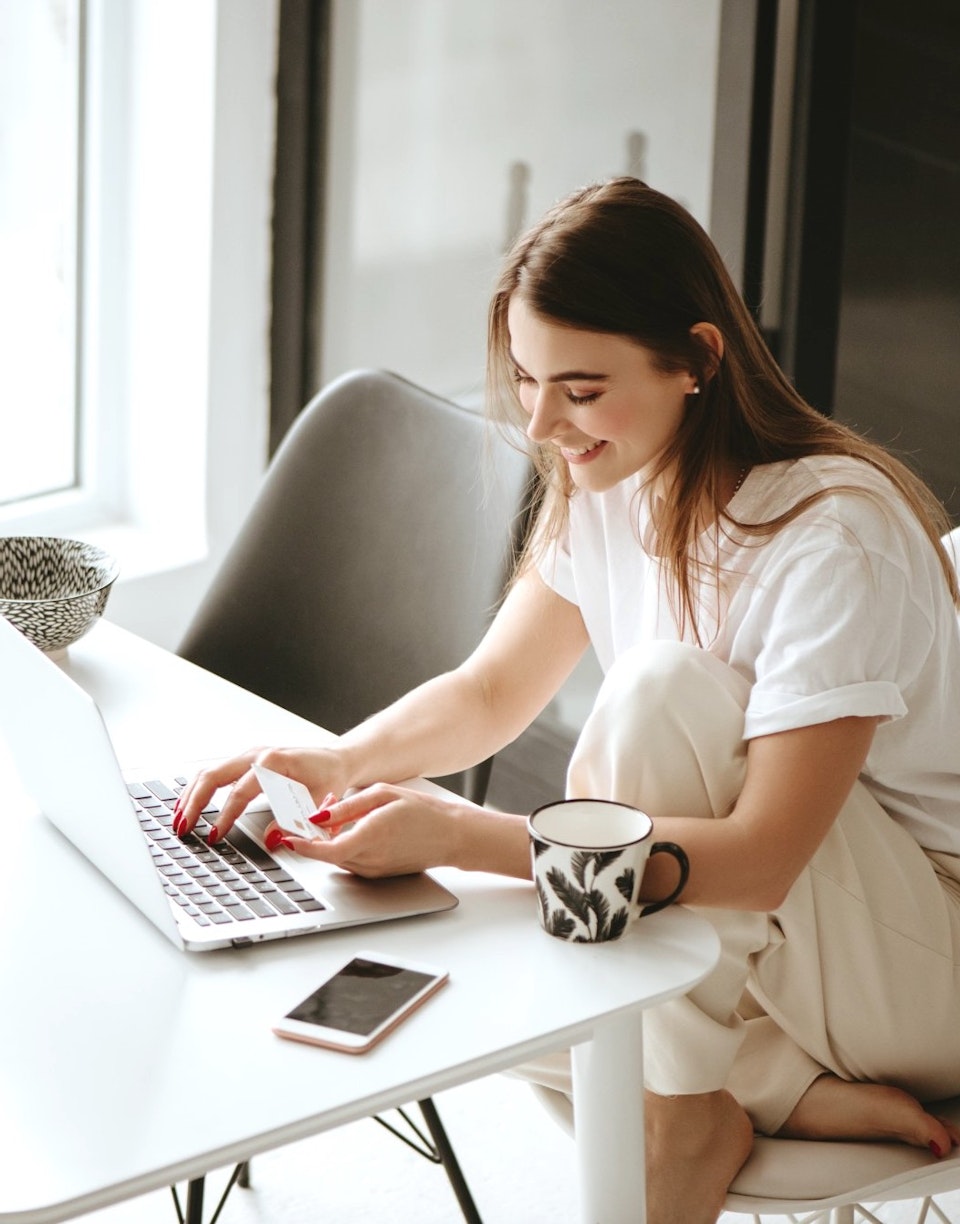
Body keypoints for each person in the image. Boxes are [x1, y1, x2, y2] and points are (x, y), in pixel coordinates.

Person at [175, 178, 960, 1224]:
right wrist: (338, 763)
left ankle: (690, 1113)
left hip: (924, 965)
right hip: (790, 944)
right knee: (486, 992)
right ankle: (766, 1087)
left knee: (657, 707)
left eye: (581, 390)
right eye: (529, 380)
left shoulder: (829, 536)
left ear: (698, 361)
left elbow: (768, 854)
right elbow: (492, 689)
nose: (543, 423)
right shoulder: (612, 478)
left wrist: (470, 835)